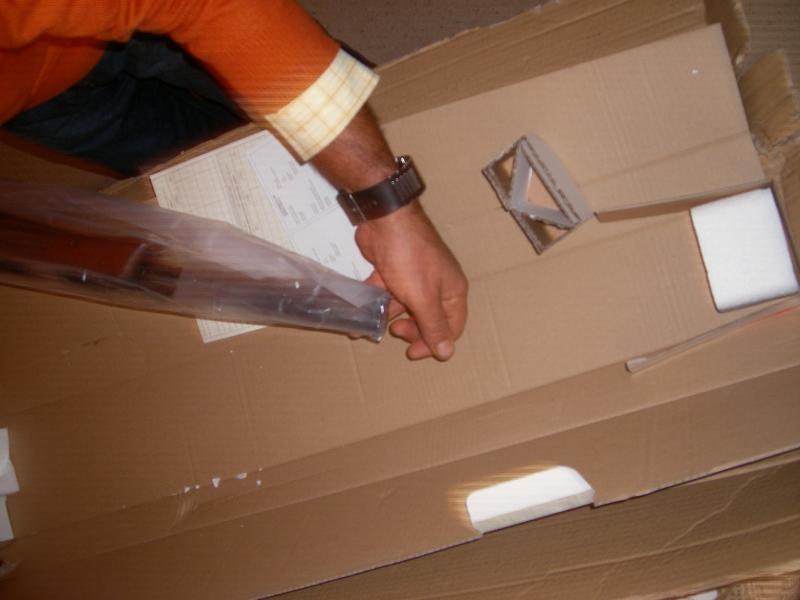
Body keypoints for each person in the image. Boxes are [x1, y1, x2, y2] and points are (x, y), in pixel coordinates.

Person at [0, 0, 468, 361]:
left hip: (132, 17)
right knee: (197, 165)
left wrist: (389, 204)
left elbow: (219, 8)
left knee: (319, 101)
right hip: (34, 102)